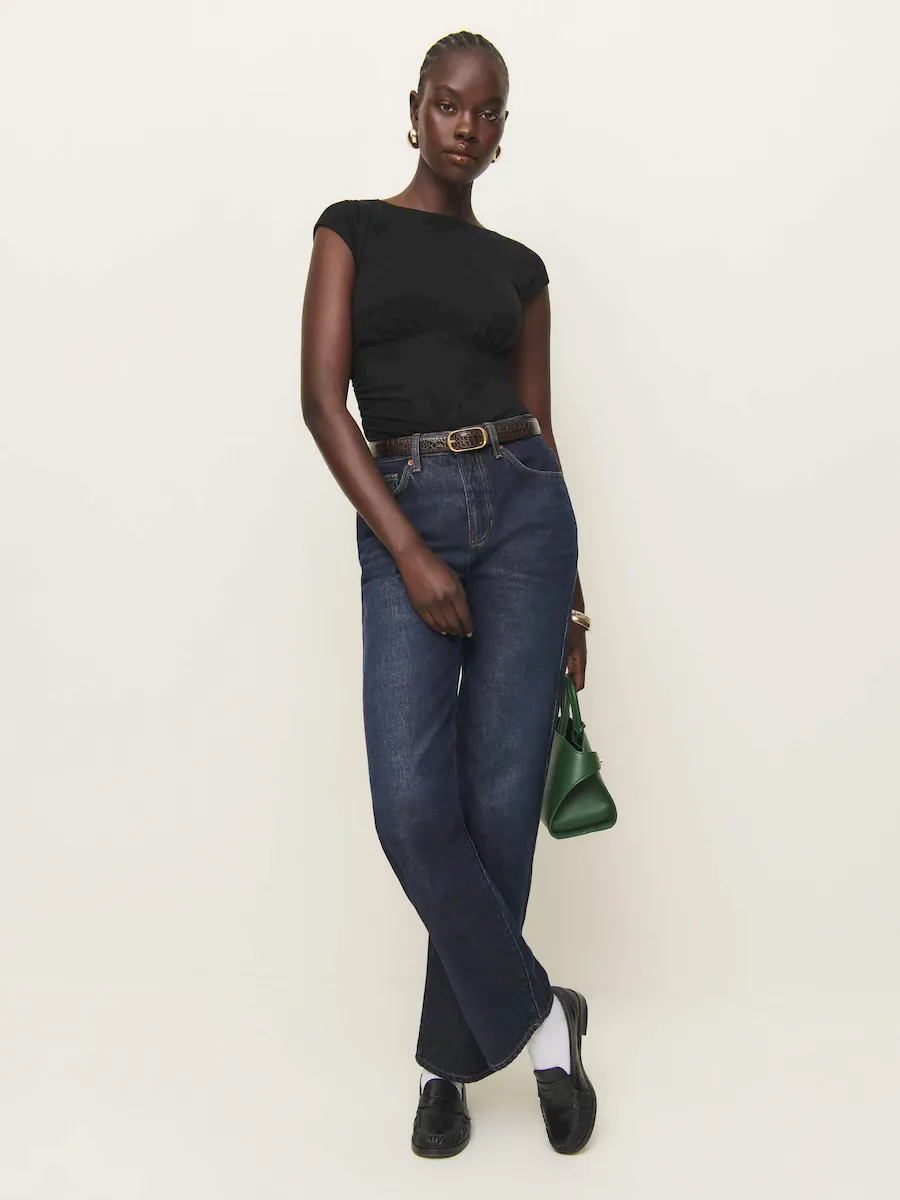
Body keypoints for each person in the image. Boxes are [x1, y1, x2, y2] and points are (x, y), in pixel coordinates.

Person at [301, 29, 597, 1157]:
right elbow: (322, 400)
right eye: (449, 104)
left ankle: (444, 1065)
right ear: (416, 107)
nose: (467, 126)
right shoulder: (350, 229)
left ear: (503, 130)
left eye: (488, 112)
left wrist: (573, 600)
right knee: (415, 810)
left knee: (499, 807)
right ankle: (544, 1021)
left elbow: (542, 428)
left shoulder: (521, 268)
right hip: (407, 510)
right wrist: (410, 552)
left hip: (526, 518)